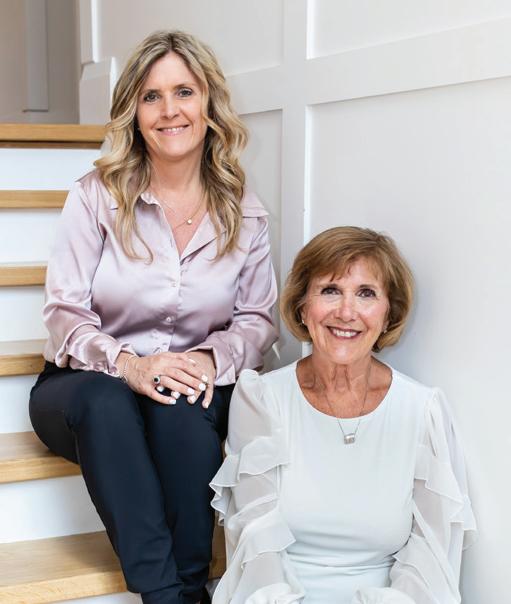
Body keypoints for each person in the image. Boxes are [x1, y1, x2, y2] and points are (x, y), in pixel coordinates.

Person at [29, 30, 277, 604]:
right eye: (151, 96)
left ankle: (182, 591)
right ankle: (170, 596)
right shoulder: (95, 196)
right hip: (84, 387)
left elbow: (257, 320)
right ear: (134, 113)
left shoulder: (243, 211)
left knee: (184, 412)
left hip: (186, 384)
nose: (170, 111)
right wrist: (130, 365)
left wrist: (205, 360)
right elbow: (64, 312)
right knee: (109, 402)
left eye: (184, 92)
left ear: (209, 103)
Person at [210, 226, 476, 604]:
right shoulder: (261, 399)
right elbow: (254, 544)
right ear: (303, 307)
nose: (346, 312)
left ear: (388, 314)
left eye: (366, 293)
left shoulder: (422, 411)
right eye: (330, 290)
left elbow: (430, 558)